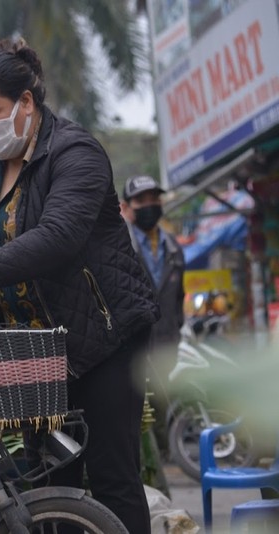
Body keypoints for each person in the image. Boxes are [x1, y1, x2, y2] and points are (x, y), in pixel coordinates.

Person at [0, 39, 160, 534]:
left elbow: (58, 237)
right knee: (49, 480)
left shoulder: (76, 152)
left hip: (104, 340)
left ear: (26, 102)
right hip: (35, 355)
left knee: (112, 478)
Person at [120, 175, 186, 452]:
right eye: (141, 201)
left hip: (167, 338)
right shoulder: (120, 245)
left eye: (154, 199)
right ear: (126, 207)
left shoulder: (173, 247)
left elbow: (178, 295)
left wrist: (176, 328)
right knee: (135, 403)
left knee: (163, 398)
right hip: (133, 340)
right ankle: (148, 455)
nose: (149, 205)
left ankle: (165, 453)